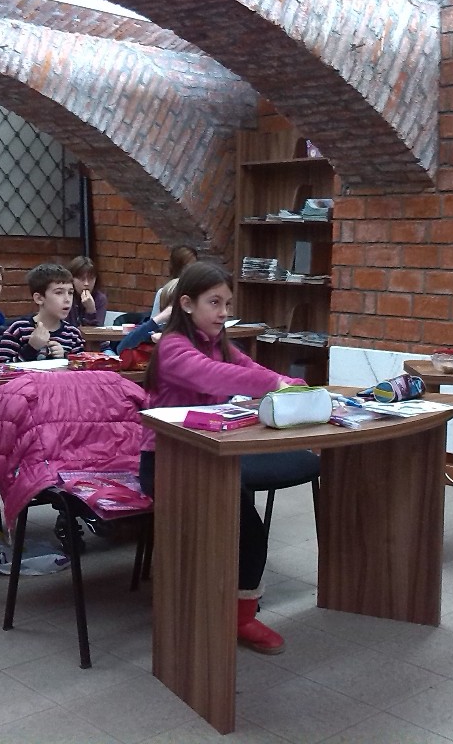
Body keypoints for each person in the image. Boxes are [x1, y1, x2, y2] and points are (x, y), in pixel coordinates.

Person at [140, 262, 304, 655]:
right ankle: (200, 612)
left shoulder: (222, 344)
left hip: (213, 455)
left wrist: (294, 385)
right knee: (224, 530)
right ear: (187, 304)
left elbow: (251, 369)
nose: (224, 312)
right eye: (214, 302)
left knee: (247, 528)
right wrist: (275, 383)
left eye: (227, 304)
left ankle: (241, 616)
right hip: (167, 463)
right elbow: (214, 376)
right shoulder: (173, 347)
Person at [0, 263, 84, 362]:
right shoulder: (18, 330)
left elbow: (80, 369)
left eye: (70, 293)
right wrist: (31, 348)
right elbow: (1, 368)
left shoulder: (73, 335)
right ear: (39, 298)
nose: (67, 299)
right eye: (59, 293)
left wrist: (64, 357)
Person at [113, 278, 177, 354]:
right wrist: (156, 320)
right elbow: (121, 349)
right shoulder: (159, 328)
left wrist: (165, 339)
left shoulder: (186, 332)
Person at [150, 244, 197, 316]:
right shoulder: (165, 292)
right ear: (177, 268)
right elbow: (155, 320)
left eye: (194, 266)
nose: (192, 271)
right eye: (187, 267)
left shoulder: (199, 292)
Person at [65, 256, 107, 327]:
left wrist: (91, 310)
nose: (86, 283)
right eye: (82, 279)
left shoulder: (100, 298)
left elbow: (96, 330)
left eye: (91, 278)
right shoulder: (66, 297)